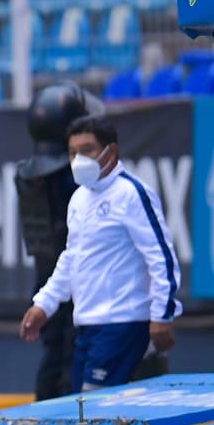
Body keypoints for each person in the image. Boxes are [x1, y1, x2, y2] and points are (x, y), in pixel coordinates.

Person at [20, 116, 181, 392]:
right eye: (72, 153)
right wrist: (44, 304)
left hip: (124, 322)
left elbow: (161, 256)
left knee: (94, 408)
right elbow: (71, 258)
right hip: (88, 325)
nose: (78, 159)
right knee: (85, 408)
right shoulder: (79, 199)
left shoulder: (131, 193)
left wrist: (161, 315)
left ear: (111, 151)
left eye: (88, 150)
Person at [15, 83, 98, 400]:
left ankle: (47, 412)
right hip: (68, 278)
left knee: (55, 356)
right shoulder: (71, 177)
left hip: (47, 275)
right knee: (66, 358)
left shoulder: (29, 174)